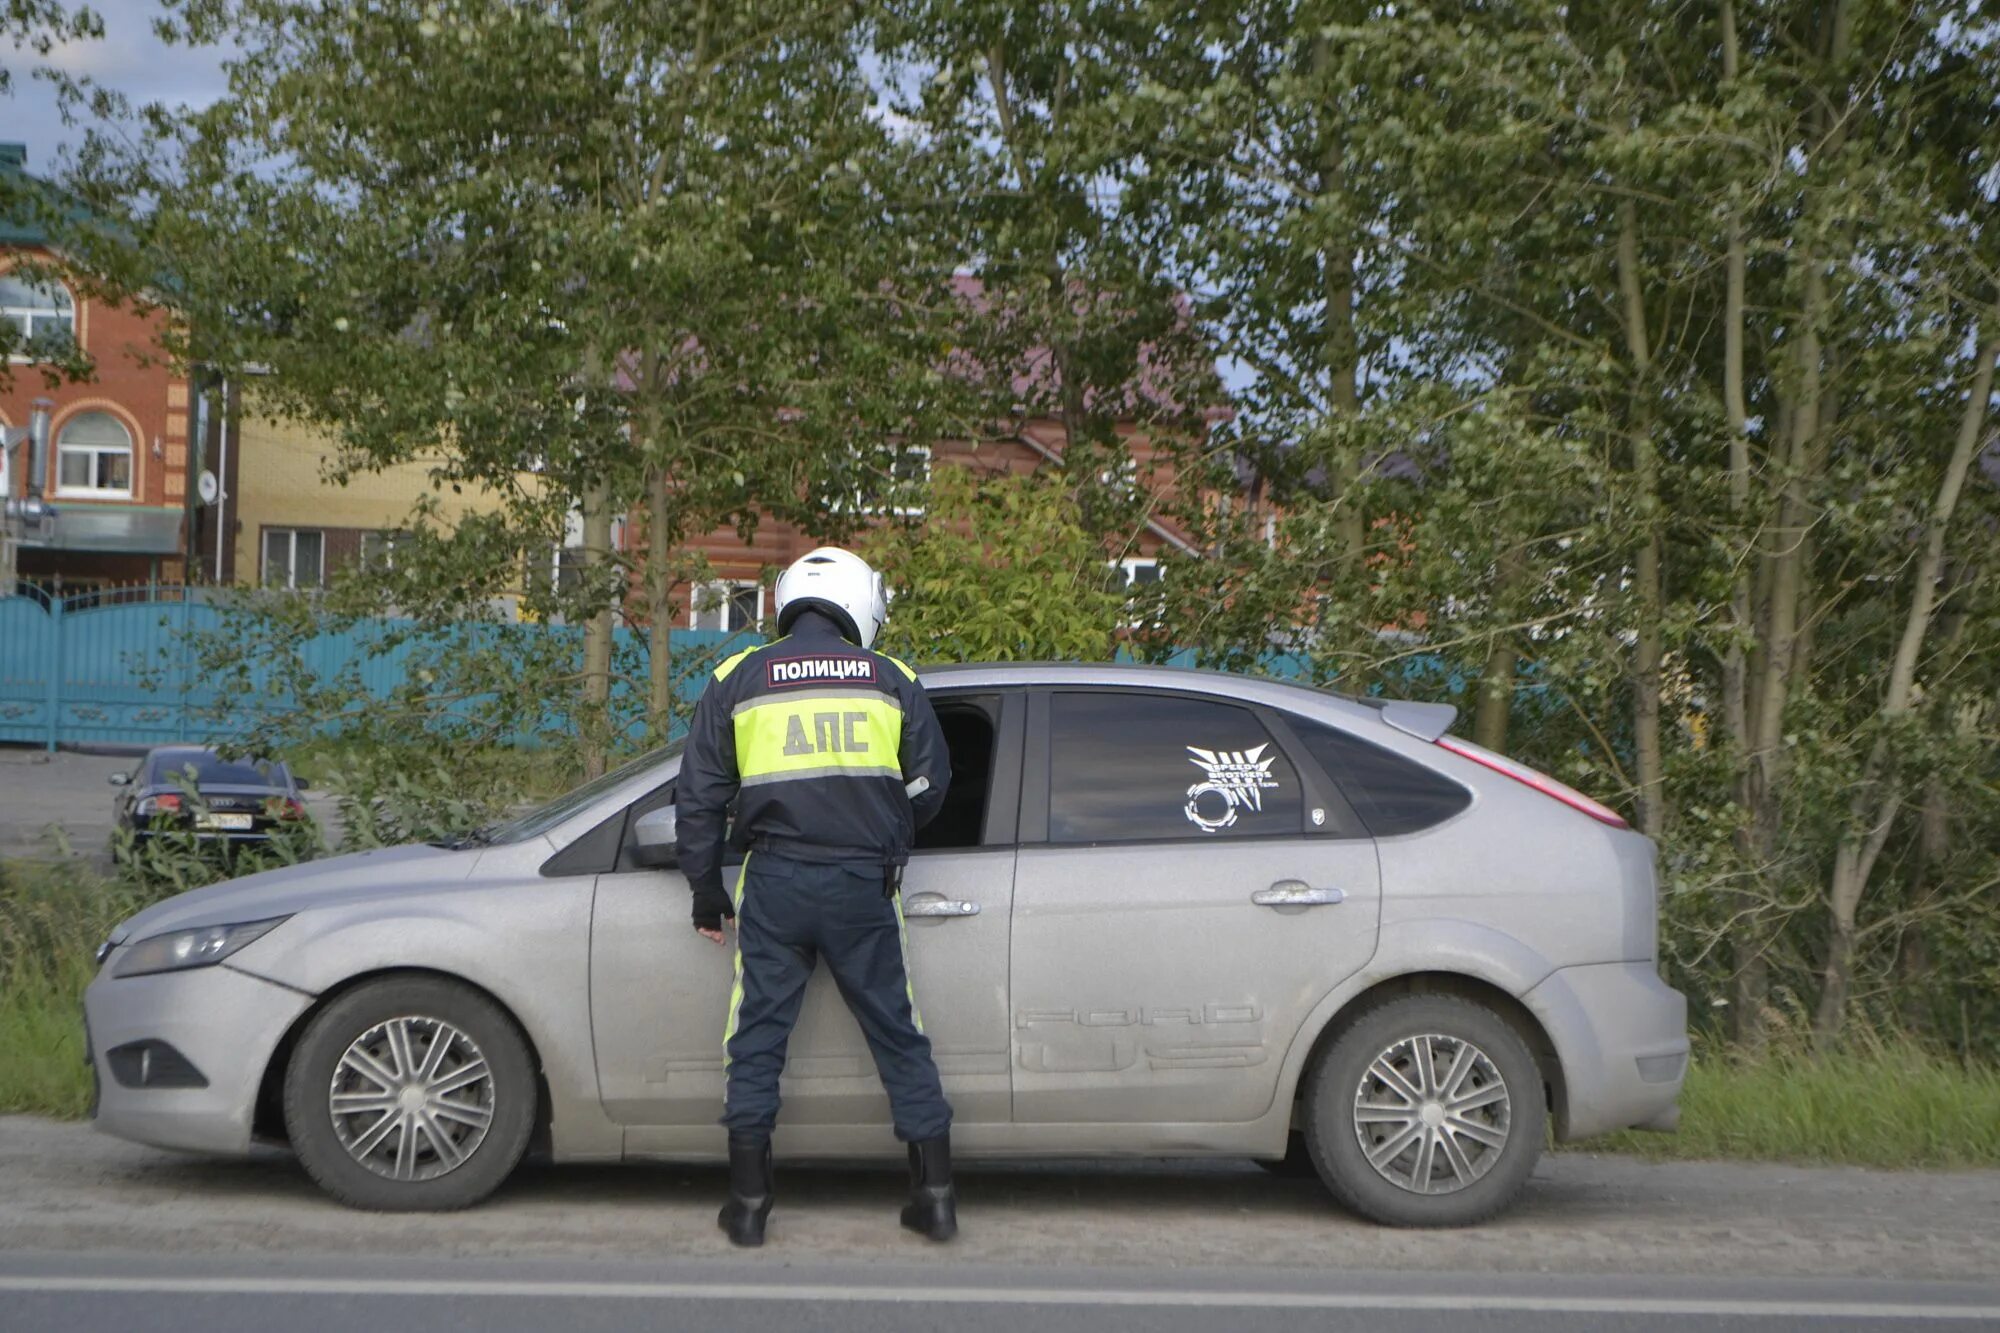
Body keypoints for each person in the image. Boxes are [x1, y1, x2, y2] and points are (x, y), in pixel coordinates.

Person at [675, 546, 957, 1248]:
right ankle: (936, 1197)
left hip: (774, 881)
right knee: (899, 1030)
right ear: (861, 604)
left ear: (786, 600)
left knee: (758, 1037)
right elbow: (931, 787)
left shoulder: (737, 676)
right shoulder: (893, 678)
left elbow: (699, 799)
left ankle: (747, 1206)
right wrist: (879, 825)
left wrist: (707, 892)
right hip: (864, 883)